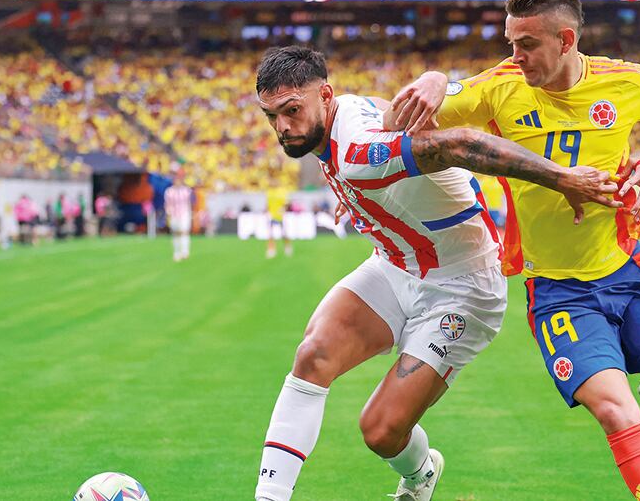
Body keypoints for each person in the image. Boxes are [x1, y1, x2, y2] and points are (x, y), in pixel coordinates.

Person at [385, 0, 640, 500]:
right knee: (612, 408)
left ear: (566, 40)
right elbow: (393, 124)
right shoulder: (499, 85)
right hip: (559, 289)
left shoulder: (629, 82)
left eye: (527, 44)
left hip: (628, 267)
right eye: (511, 42)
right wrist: (433, 77)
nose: (515, 55)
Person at [252, 45, 616, 501]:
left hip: (462, 287)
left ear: (324, 95)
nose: (283, 127)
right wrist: (435, 78)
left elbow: (458, 144)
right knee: (312, 355)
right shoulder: (344, 112)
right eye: (272, 116)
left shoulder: (358, 151)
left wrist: (561, 178)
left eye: (291, 111)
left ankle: (422, 471)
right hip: (395, 265)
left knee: (381, 431)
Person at [164, 172, 193, 262]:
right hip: (174, 214)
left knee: (184, 232)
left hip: (184, 213)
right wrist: (168, 214)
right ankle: (177, 252)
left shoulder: (186, 191)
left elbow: (189, 203)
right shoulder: (169, 191)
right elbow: (167, 204)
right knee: (176, 233)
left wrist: (191, 214)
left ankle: (185, 251)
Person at [265, 184, 293, 259]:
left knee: (284, 233)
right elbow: (268, 204)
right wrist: (267, 211)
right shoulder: (269, 192)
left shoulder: (282, 192)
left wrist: (283, 209)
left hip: (281, 216)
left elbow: (287, 203)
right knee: (270, 233)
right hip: (271, 215)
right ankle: (271, 250)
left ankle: (287, 247)